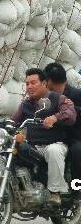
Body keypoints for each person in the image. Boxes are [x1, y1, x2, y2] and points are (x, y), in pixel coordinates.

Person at [12, 68, 77, 205]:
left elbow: (70, 115)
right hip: (33, 146)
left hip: (53, 144)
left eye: (33, 83)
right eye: (27, 83)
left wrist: (55, 117)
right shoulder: (26, 104)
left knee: (54, 151)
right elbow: (14, 121)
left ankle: (55, 193)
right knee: (11, 149)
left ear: (44, 83)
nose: (29, 86)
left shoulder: (58, 98)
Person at [44, 62, 81, 200]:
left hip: (75, 137)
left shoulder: (76, 94)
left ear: (49, 81)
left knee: (77, 152)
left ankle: (77, 189)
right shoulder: (47, 96)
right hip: (53, 137)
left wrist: (71, 110)